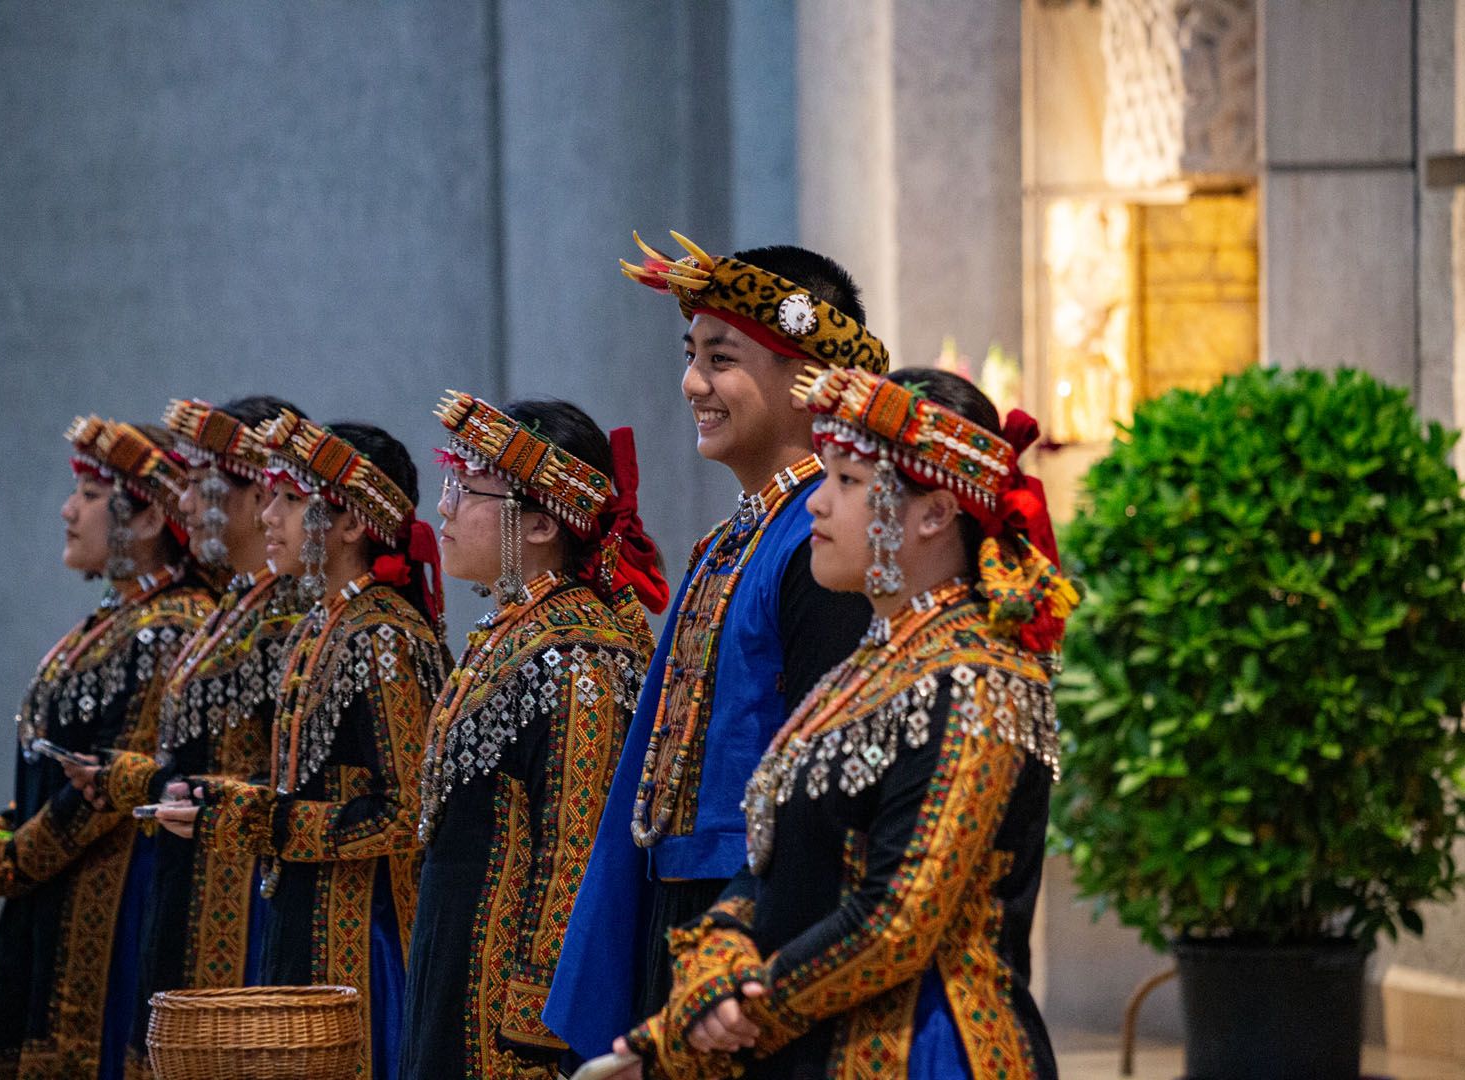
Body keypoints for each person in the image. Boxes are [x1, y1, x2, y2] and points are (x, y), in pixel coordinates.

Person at [611, 367, 1077, 1079]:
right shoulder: (864, 670)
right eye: (826, 475)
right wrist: (717, 960)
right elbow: (777, 859)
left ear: (934, 513)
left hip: (926, 1051)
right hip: (814, 1045)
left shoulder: (981, 678)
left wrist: (725, 1017)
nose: (817, 503)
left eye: (849, 481)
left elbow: (897, 923)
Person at [546, 233, 879, 1056]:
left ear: (809, 379)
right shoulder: (732, 539)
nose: (693, 382)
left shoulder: (819, 546)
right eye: (691, 355)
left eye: (721, 358)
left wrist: (756, 934)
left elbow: (822, 784)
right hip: (688, 901)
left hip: (761, 914)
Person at [156, 411, 445, 1079]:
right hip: (304, 920)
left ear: (352, 523)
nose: (269, 516)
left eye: (290, 498)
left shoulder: (383, 636)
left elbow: (407, 812)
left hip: (360, 940)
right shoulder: (327, 624)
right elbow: (311, 785)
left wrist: (262, 820)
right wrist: (227, 800)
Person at [397, 394, 666, 1080]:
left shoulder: (581, 655)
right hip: (454, 974)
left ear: (543, 522)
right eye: (450, 483)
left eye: (467, 488)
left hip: (508, 1025)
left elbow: (576, 851)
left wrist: (535, 1030)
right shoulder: (514, 632)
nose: (444, 508)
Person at [0, 417, 213, 1079]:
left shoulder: (172, 625)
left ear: (151, 517)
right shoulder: (119, 617)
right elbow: (67, 761)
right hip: (60, 888)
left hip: (111, 897)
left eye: (92, 495)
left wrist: (16, 858)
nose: (68, 510)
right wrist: (5, 827)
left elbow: (109, 782)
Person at [64, 396, 307, 1078]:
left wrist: (146, 783)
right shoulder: (239, 604)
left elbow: (292, 775)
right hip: (190, 879)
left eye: (206, 486)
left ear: (257, 494)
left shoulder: (290, 614)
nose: (189, 504)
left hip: (242, 896)